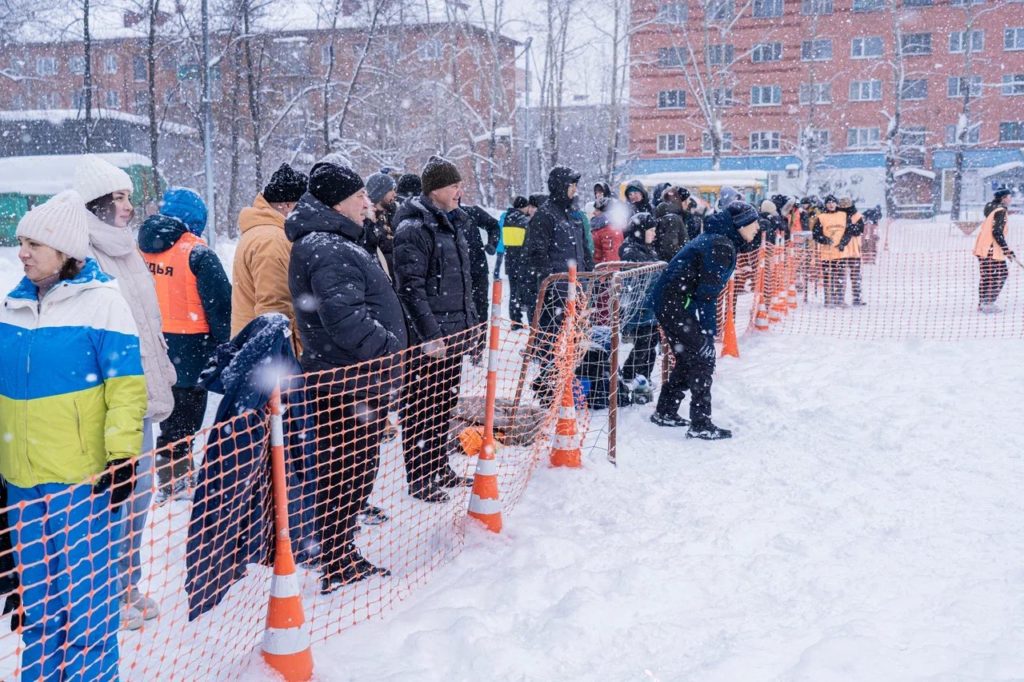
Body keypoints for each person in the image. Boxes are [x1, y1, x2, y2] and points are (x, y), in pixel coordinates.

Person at [0, 190, 147, 679]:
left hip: (79, 480)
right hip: (21, 481)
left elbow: (126, 390)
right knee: (37, 607)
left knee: (87, 607)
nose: (22, 252)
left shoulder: (102, 304)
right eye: (21, 242)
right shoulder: (11, 305)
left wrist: (123, 456)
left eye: (33, 243)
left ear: (64, 252)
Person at [287, 161, 408, 591]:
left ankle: (341, 552)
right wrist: (392, 348)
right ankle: (337, 559)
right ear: (337, 202)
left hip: (350, 378)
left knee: (354, 466)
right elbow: (343, 318)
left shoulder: (332, 241)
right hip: (346, 382)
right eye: (359, 197)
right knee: (347, 469)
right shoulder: (328, 247)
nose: (367, 204)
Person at [75, 154, 175, 629]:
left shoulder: (128, 250)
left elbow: (147, 324)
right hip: (111, 403)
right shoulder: (81, 254)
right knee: (113, 502)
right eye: (119, 198)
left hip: (142, 399)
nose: (128, 207)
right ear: (96, 204)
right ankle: (105, 595)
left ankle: (127, 584)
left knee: (139, 498)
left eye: (129, 197)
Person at [393, 156, 479, 503]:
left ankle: (438, 464)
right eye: (454, 185)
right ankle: (420, 476)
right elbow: (411, 288)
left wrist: (470, 328)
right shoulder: (414, 228)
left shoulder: (452, 223)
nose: (460, 191)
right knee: (420, 406)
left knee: (444, 403)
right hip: (430, 339)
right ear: (436, 189)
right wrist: (431, 335)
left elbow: (464, 283)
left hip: (453, 332)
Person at [139, 188, 232, 497]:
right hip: (192, 349)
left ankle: (170, 474)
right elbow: (221, 308)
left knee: (168, 418)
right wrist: (225, 346)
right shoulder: (197, 253)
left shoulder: (140, 250)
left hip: (154, 345)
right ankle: (177, 479)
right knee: (187, 417)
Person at [646, 201, 760, 439]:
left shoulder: (722, 239)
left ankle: (665, 411)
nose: (757, 228)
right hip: (675, 303)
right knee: (702, 358)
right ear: (739, 226)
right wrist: (708, 332)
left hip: (672, 301)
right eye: (753, 223)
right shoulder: (720, 245)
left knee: (689, 359)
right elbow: (706, 294)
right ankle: (700, 423)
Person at [232, 162, 307, 354]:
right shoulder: (272, 240)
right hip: (266, 355)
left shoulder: (263, 232)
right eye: (302, 206)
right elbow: (275, 309)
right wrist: (286, 357)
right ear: (287, 205)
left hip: (252, 343)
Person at [617, 212, 664, 404]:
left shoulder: (646, 249)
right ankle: (635, 376)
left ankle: (638, 376)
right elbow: (637, 281)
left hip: (649, 307)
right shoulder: (631, 251)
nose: (654, 234)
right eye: (651, 230)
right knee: (644, 344)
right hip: (638, 308)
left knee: (649, 343)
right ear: (640, 231)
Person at [974, 188, 1016, 313]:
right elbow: (997, 232)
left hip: (983, 247)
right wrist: (1006, 250)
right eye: (1009, 196)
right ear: (1003, 198)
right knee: (1001, 274)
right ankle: (988, 302)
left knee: (987, 275)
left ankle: (983, 302)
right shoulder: (1001, 211)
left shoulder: (992, 209)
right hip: (991, 249)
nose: (1010, 199)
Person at [810, 195, 849, 307]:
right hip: (826, 253)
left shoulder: (843, 215)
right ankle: (829, 299)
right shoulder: (821, 217)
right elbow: (816, 234)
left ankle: (840, 299)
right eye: (829, 203)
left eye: (833, 202)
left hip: (841, 252)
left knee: (841, 277)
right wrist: (824, 239)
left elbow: (848, 231)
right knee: (828, 277)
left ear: (836, 204)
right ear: (826, 205)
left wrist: (843, 243)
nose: (831, 205)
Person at [500, 196, 532, 327]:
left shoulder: (507, 218)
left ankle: (515, 320)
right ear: (523, 207)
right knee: (525, 291)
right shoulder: (524, 221)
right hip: (522, 261)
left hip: (510, 260)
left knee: (513, 292)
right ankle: (528, 318)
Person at [363, 171, 398, 276]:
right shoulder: (365, 221)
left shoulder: (391, 215)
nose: (395, 194)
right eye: (390, 190)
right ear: (380, 192)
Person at [837, 197, 866, 306]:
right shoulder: (837, 216)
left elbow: (859, 230)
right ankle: (840, 299)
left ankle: (857, 298)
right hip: (841, 250)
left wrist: (848, 228)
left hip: (853, 250)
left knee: (856, 276)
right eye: (842, 204)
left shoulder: (857, 216)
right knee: (840, 276)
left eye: (846, 204)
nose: (844, 206)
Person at [654, 189, 689, 261]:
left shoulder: (667, 215)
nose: (689, 202)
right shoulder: (673, 218)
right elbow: (670, 246)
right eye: (687, 200)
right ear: (680, 201)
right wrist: (683, 259)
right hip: (673, 262)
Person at [590, 197, 623, 264]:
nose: (593, 212)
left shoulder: (609, 230)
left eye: (597, 210)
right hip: (598, 270)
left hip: (602, 271)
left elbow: (611, 259)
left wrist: (604, 273)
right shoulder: (601, 227)